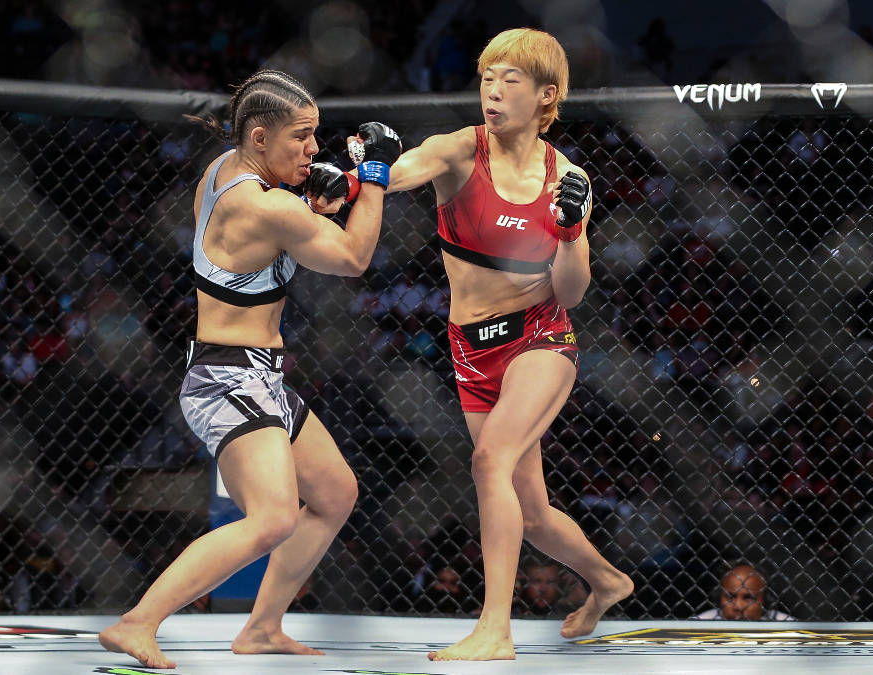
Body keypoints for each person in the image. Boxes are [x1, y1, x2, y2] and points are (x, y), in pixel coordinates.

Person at [98, 69, 401, 669]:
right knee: (272, 518)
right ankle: (138, 623)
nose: (314, 149)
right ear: (260, 137)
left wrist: (312, 203)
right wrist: (375, 178)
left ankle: (262, 627)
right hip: (226, 378)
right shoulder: (262, 203)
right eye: (303, 137)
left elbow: (279, 241)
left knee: (336, 494)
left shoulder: (224, 170)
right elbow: (352, 257)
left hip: (257, 376)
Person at [384, 28, 633, 661]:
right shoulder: (458, 151)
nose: (492, 92)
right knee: (533, 511)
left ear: (547, 95)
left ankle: (495, 628)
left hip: (540, 339)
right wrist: (368, 166)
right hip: (471, 350)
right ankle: (606, 580)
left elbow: (572, 293)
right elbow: (398, 173)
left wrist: (573, 233)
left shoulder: (567, 177)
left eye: (509, 81)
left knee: (489, 462)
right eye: (487, 78)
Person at [693, 563, 795, 620]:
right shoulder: (701, 623)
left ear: (765, 599)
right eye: (730, 596)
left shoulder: (786, 625)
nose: (738, 606)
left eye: (748, 598)